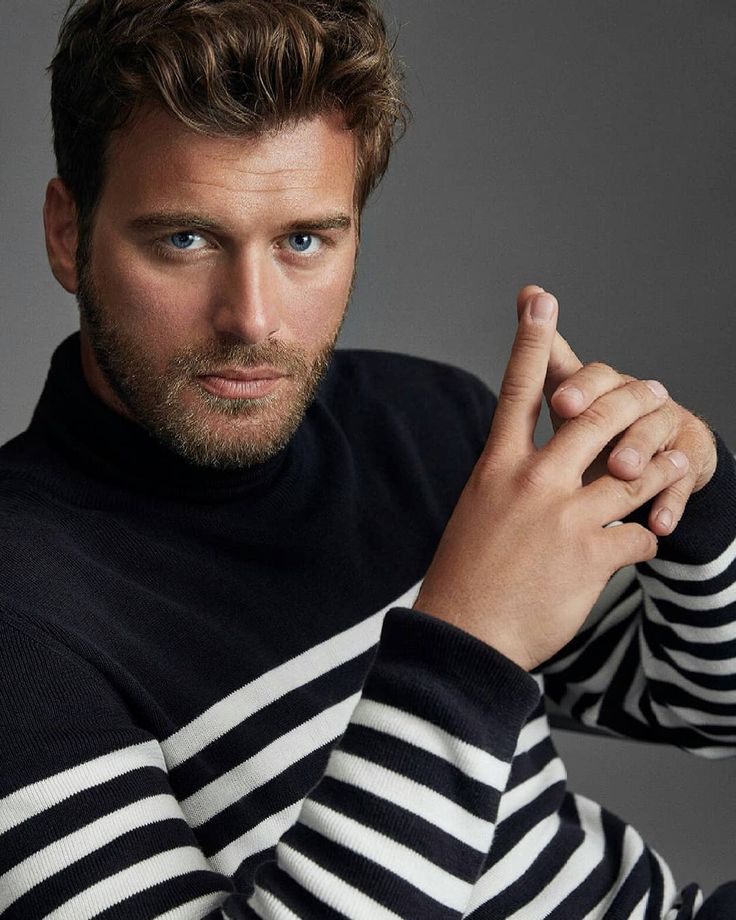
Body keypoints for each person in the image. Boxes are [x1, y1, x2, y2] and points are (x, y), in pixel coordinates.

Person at [0, 0, 734, 917]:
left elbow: (709, 710)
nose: (252, 319)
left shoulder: (423, 422)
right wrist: (469, 641)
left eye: (304, 240)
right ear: (67, 234)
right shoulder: (20, 620)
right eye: (185, 239)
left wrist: (693, 501)